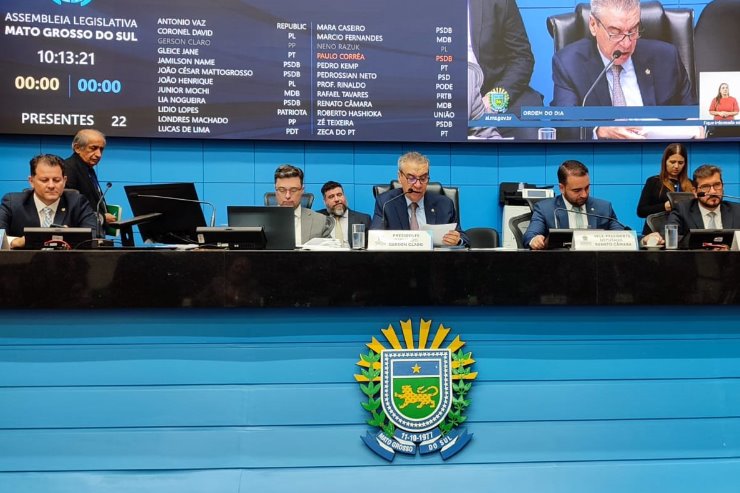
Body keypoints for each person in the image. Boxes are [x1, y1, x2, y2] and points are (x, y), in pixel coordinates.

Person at [551, 0, 696, 140]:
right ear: (593, 25)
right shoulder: (569, 63)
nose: (627, 44)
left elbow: (692, 113)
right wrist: (601, 130)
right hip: (603, 156)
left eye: (633, 31)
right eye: (615, 33)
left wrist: (699, 127)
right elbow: (564, 122)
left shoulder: (666, 57)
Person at [468, 0, 543, 140]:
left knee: (529, 130)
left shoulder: (500, 2)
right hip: (442, 94)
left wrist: (495, 99)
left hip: (492, 92)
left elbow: (522, 58)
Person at [370, 151, 469, 247]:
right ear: (400, 177)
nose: (418, 185)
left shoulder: (444, 204)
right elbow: (375, 239)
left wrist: (457, 240)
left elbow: (464, 238)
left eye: (423, 178)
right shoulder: (386, 203)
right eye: (411, 178)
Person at [0, 154, 98, 249]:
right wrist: (15, 242)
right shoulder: (12, 203)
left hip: (66, 263)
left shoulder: (78, 203)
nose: (51, 185)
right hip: (23, 263)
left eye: (56, 180)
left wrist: (70, 238)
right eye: (44, 180)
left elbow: (94, 237)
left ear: (64, 181)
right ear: (31, 181)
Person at [523, 160, 624, 249]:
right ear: (562, 188)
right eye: (577, 190)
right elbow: (530, 236)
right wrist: (535, 240)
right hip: (560, 266)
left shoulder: (604, 208)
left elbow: (621, 236)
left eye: (587, 188)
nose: (584, 194)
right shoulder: (545, 209)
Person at [642, 164, 740, 248]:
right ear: (695, 191)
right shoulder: (682, 210)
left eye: (717, 185)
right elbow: (669, 236)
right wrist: (705, 245)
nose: (713, 191)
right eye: (705, 187)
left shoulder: (737, 210)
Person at [64, 129, 114, 236]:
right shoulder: (68, 169)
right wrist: (103, 217)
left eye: (101, 149)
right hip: (80, 237)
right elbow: (71, 208)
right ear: (77, 148)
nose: (99, 154)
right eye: (93, 148)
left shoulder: (87, 168)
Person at [636, 143, 694, 234]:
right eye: (672, 162)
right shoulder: (653, 182)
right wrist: (663, 207)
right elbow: (641, 211)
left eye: (680, 163)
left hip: (683, 233)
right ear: (665, 161)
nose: (676, 166)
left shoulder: (691, 184)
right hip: (655, 234)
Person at [273, 164, 332, 245]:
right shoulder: (261, 220)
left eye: (293, 190)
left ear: (302, 190)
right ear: (275, 191)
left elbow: (329, 255)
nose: (287, 196)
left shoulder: (320, 221)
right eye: (282, 190)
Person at [317, 180, 371, 248]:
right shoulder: (317, 218)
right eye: (331, 197)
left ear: (344, 196)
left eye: (339, 195)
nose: (336, 199)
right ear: (325, 202)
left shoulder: (363, 219)